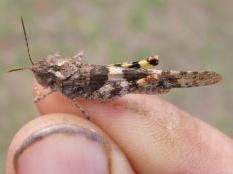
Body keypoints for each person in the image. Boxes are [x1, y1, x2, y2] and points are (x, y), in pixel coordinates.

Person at [6, 82, 233, 174]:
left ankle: (156, 78)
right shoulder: (58, 84)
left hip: (104, 85)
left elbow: (72, 96)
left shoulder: (62, 83)